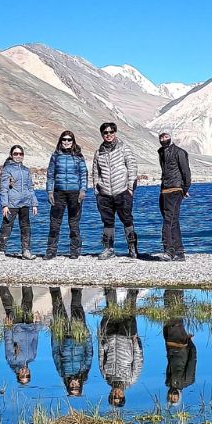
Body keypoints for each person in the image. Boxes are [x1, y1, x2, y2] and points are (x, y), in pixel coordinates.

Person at [92, 122, 138, 260]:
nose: (108, 135)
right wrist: (96, 190)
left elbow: (132, 167)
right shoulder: (98, 152)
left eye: (111, 132)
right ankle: (108, 249)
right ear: (102, 134)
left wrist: (130, 187)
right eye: (105, 133)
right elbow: (95, 172)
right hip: (104, 193)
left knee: (127, 219)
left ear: (115, 133)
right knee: (107, 221)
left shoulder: (124, 148)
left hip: (122, 191)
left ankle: (132, 248)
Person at [45, 131, 88, 260]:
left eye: (69, 140)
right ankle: (51, 251)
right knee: (55, 222)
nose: (66, 142)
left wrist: (83, 190)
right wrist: (49, 191)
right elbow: (50, 175)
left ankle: (75, 251)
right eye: (64, 139)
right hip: (59, 193)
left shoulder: (79, 156)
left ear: (73, 141)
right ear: (60, 141)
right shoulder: (55, 156)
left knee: (74, 223)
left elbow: (84, 175)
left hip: (75, 193)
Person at [98, 288, 142, 407]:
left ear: (110, 394)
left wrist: (101, 341)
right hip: (127, 338)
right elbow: (138, 359)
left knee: (110, 311)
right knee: (129, 313)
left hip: (109, 337)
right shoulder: (131, 379)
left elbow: (101, 356)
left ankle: (110, 289)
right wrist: (135, 341)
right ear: (123, 396)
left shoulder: (106, 376)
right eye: (119, 397)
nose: (116, 394)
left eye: (113, 396)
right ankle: (132, 290)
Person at [0, 145, 39, 261]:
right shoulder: (7, 169)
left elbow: (30, 187)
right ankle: (0, 251)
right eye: (16, 154)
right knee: (6, 226)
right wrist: (4, 205)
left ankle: (26, 251)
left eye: (20, 154)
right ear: (11, 155)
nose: (18, 156)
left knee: (25, 227)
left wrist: (34, 203)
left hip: (25, 203)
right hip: (11, 203)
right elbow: (3, 188)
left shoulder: (26, 170)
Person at [155, 129, 192, 262]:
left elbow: (186, 172)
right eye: (161, 137)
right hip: (164, 189)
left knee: (168, 220)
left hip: (174, 190)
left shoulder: (179, 152)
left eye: (166, 136)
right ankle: (179, 252)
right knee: (173, 220)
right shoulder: (161, 152)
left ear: (171, 137)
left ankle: (168, 250)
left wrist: (184, 189)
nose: (163, 139)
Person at [49, 286, 92, 396]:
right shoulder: (84, 371)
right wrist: (87, 336)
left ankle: (54, 287)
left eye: (72, 387)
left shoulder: (62, 373)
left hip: (62, 335)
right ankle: (76, 288)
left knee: (58, 308)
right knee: (77, 308)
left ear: (68, 386)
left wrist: (55, 335)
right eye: (77, 387)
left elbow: (56, 353)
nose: (74, 384)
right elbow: (89, 353)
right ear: (80, 385)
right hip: (79, 336)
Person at [0, 286, 43, 385]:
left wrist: (8, 328)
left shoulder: (12, 360)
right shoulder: (32, 357)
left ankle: (1, 284)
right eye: (27, 375)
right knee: (28, 302)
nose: (25, 373)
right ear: (29, 373)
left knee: (9, 304)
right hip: (29, 325)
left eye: (22, 376)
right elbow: (35, 339)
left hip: (15, 327)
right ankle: (26, 283)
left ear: (18, 374)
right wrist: (38, 324)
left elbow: (8, 342)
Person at [162, 289, 196, 406]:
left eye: (171, 398)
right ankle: (177, 292)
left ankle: (169, 293)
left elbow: (169, 363)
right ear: (179, 397)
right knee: (175, 319)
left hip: (170, 345)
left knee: (169, 319)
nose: (173, 396)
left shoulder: (167, 382)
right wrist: (190, 343)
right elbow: (192, 361)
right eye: (175, 399)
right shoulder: (187, 381)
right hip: (181, 345)